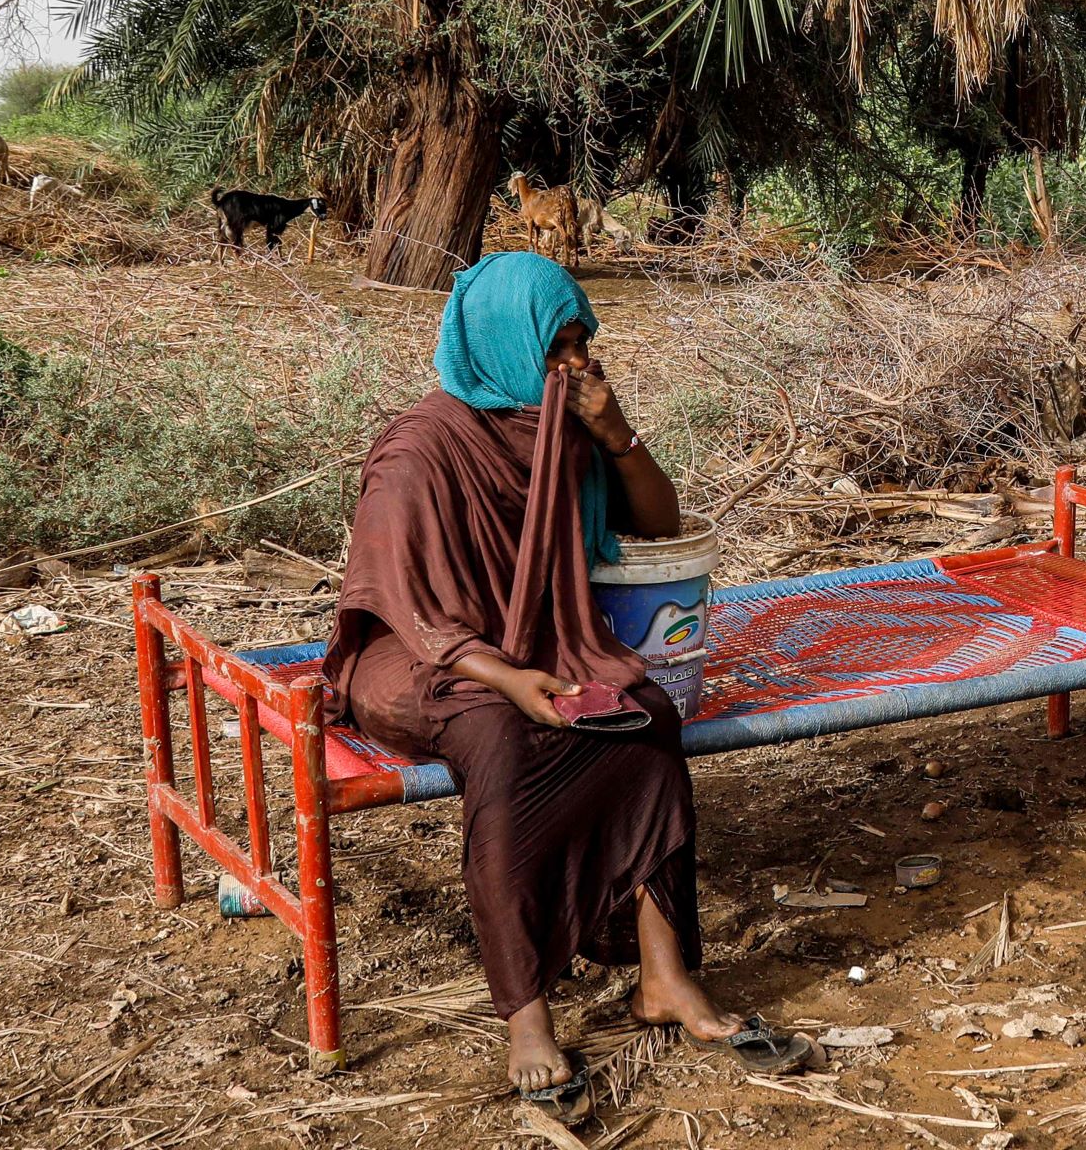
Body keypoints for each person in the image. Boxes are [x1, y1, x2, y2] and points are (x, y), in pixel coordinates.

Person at [323, 252, 808, 1108]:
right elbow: (400, 599)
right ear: (504, 343)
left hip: (542, 642)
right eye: (558, 348)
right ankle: (528, 1013)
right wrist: (505, 678)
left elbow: (658, 525)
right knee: (508, 743)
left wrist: (615, 432)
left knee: (648, 716)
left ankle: (665, 976)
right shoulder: (421, 447)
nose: (575, 366)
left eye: (583, 345)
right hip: (426, 658)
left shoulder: (567, 431)